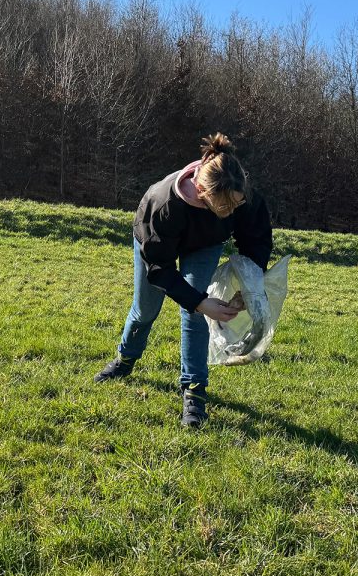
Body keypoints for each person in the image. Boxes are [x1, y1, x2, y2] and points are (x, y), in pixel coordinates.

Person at [95, 132, 273, 428]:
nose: (233, 212)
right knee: (145, 310)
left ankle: (194, 391)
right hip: (156, 245)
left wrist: (249, 286)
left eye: (236, 206)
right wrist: (200, 301)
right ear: (202, 192)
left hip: (204, 244)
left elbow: (255, 238)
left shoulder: (239, 193)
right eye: (225, 209)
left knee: (195, 316)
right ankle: (125, 359)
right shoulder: (163, 203)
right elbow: (161, 269)